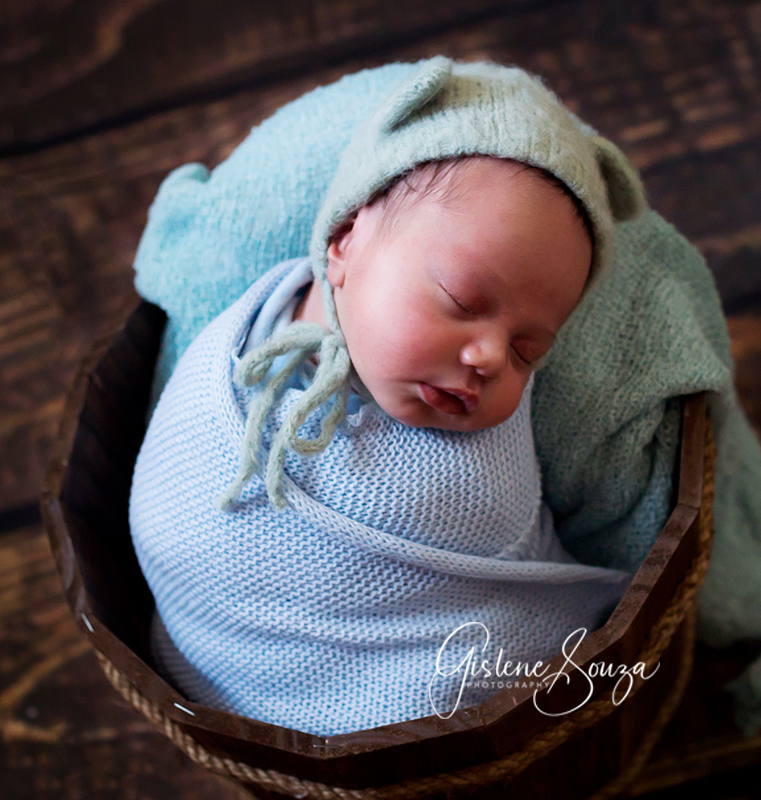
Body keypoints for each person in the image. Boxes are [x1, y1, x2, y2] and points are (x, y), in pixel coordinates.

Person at [129, 57, 646, 736]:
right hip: (213, 654)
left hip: (424, 705)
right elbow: (175, 501)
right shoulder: (244, 340)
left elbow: (503, 571)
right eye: (463, 299)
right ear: (345, 241)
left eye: (529, 350)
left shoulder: (480, 474)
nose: (491, 356)